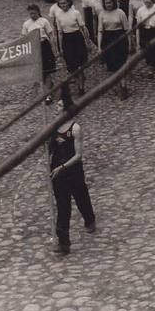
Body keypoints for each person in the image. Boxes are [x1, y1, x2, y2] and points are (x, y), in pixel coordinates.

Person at [48, 84, 96, 255]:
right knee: (63, 207)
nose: (57, 107)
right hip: (57, 174)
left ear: (66, 109)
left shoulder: (75, 129)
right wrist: (50, 166)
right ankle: (64, 243)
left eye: (60, 105)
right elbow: (50, 149)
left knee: (81, 197)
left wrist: (62, 167)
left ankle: (89, 220)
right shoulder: (53, 128)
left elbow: (78, 155)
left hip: (73, 171)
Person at [52, 0, 89, 95]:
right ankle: (78, 81)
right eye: (61, 4)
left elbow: (83, 28)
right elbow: (59, 32)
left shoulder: (75, 13)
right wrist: (60, 48)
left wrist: (87, 41)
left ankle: (81, 87)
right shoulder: (58, 16)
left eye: (65, 3)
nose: (63, 5)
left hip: (77, 38)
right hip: (66, 40)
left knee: (80, 65)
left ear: (68, 3)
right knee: (71, 65)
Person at [96, 0, 130, 99]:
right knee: (111, 65)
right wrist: (99, 46)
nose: (108, 5)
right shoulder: (101, 14)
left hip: (119, 39)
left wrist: (129, 43)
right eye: (106, 3)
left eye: (110, 3)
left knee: (120, 64)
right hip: (107, 40)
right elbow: (100, 31)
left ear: (113, 2)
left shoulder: (120, 12)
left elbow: (127, 29)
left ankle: (123, 87)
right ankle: (115, 85)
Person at [22, 4, 58, 102]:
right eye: (30, 14)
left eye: (34, 13)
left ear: (38, 12)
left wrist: (54, 49)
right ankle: (46, 90)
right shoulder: (26, 24)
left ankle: (48, 95)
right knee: (40, 72)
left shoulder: (44, 21)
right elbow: (24, 39)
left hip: (44, 46)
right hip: (34, 48)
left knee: (47, 71)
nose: (32, 15)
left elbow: (51, 35)